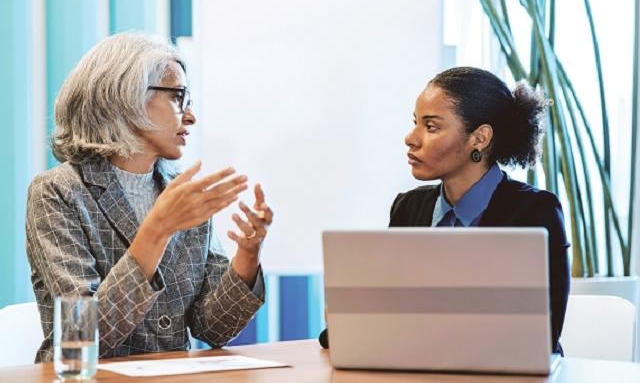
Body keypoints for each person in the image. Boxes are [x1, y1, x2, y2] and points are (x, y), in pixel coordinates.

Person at [26, 32, 273, 362]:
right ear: (125, 97)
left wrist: (247, 254)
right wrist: (158, 229)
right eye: (178, 97)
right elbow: (79, 339)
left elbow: (213, 327)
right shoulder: (57, 193)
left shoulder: (180, 191)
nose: (190, 116)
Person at [319, 66, 570, 355]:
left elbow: (539, 338)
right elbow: (383, 328)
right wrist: (349, 320)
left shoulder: (534, 213)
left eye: (431, 126)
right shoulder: (409, 207)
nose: (411, 138)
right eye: (415, 123)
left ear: (479, 138)